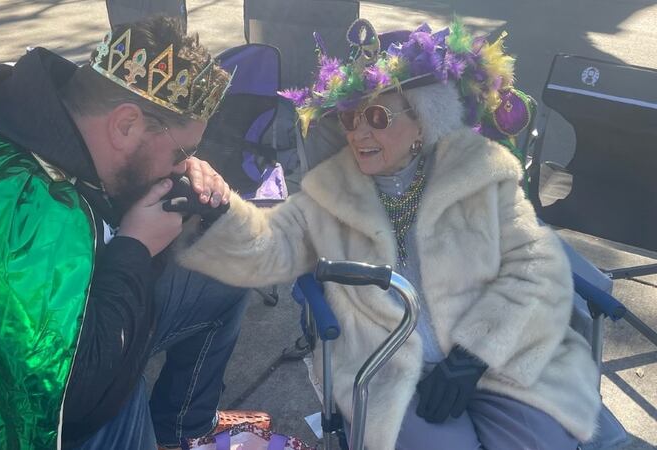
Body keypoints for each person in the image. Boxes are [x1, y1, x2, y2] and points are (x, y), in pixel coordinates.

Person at [175, 19, 601, 449]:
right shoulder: (332, 189)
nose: (359, 131)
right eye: (349, 115)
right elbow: (272, 244)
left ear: (423, 120)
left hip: (491, 361)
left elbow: (534, 264)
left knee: (544, 439)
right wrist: (222, 207)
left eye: (377, 115)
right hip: (384, 366)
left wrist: (476, 352)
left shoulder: (478, 175)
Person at [0, 16, 267, 450]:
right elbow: (78, 397)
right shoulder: (21, 205)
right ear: (126, 124)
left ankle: (184, 431)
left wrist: (200, 200)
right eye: (182, 151)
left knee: (227, 270)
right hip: (52, 412)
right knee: (119, 390)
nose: (183, 164)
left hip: (77, 346)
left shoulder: (47, 131)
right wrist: (136, 246)